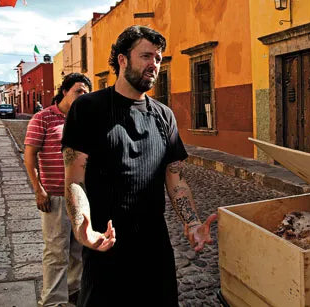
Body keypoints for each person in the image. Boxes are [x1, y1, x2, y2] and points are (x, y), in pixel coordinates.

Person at [61, 25, 217, 307]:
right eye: (146, 56)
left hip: (154, 248)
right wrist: (81, 223)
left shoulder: (164, 116)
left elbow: (175, 178)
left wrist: (191, 222)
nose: (153, 65)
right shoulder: (88, 109)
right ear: (122, 60)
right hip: (105, 243)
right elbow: (75, 178)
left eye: (158, 59)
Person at [24, 73, 92, 307]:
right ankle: (53, 300)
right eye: (79, 91)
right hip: (54, 196)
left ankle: (73, 290)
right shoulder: (43, 118)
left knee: (78, 248)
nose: (83, 96)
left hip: (81, 196)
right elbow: (30, 156)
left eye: (86, 93)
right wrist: (38, 189)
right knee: (55, 252)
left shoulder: (84, 120)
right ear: (65, 91)